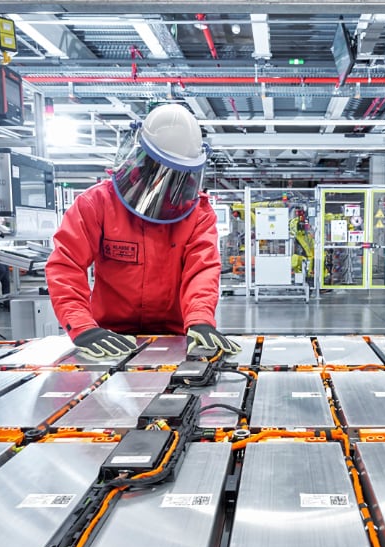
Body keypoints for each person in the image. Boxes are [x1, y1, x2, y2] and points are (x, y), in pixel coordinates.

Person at [45, 104, 240, 359]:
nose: (169, 182)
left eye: (179, 174)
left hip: (176, 338)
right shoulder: (97, 204)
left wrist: (200, 317)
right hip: (110, 339)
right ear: (143, 158)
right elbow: (66, 265)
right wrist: (81, 325)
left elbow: (201, 270)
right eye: (161, 169)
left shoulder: (197, 214)